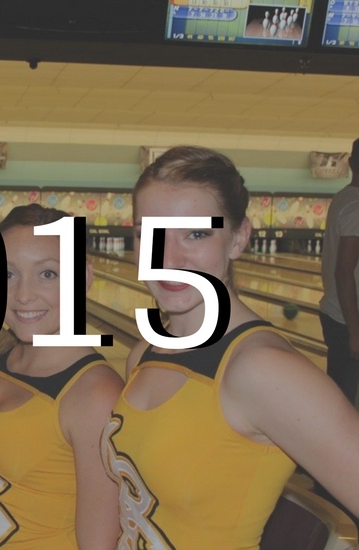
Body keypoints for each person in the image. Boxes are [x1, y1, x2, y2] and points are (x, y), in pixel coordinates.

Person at [102, 145, 359, 549]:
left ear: (239, 238)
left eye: (196, 233)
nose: (167, 258)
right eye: (148, 234)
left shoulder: (264, 371)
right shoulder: (147, 351)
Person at [0, 204, 124, 549]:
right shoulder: (2, 356)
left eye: (47, 274)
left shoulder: (95, 396)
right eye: (8, 274)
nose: (23, 295)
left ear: (84, 277)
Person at [320, 137, 359, 405]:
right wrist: (355, 333)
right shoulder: (357, 207)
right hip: (349, 321)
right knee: (347, 408)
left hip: (337, 315)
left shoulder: (344, 197)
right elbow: (344, 272)